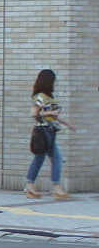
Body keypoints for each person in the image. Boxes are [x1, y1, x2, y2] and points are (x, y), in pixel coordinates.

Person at [27, 68, 75, 201]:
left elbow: (55, 116)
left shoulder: (49, 97)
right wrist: (51, 113)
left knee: (39, 159)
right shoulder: (39, 97)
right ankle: (56, 187)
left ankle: (30, 186)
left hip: (50, 130)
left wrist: (68, 124)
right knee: (55, 159)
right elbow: (34, 114)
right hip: (43, 131)